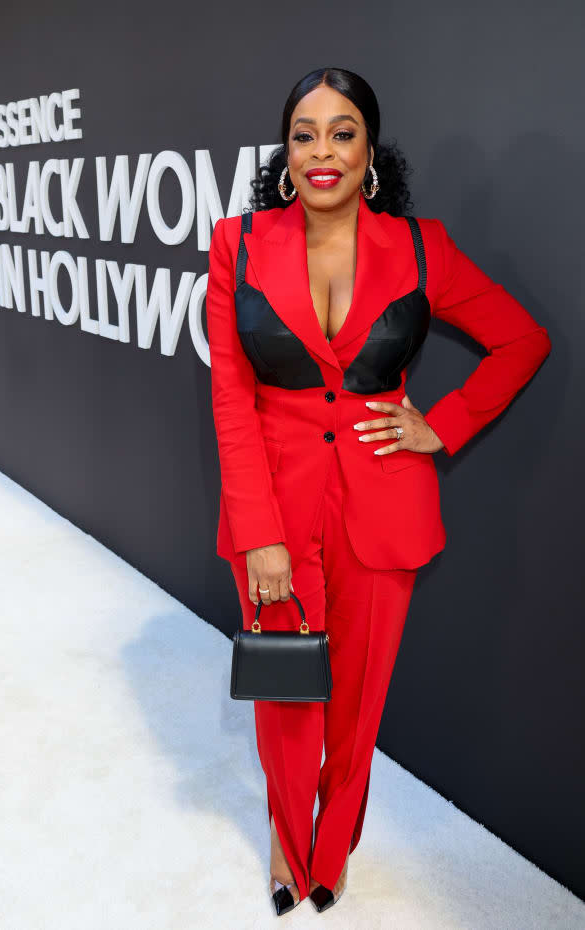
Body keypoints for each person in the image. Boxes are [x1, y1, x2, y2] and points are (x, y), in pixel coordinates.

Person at [205, 66, 551, 916]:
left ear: (370, 150)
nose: (323, 150)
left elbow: (521, 339)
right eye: (305, 133)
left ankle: (333, 852)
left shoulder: (422, 247)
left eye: (343, 131)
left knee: (358, 702)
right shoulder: (236, 242)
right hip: (275, 504)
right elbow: (232, 397)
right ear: (286, 154)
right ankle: (290, 847)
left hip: (383, 502)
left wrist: (446, 422)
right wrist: (259, 532)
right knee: (289, 693)